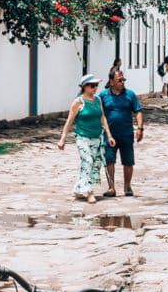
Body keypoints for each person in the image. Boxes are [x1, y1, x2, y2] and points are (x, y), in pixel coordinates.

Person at [58, 74, 117, 205]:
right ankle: (89, 192)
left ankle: (78, 189)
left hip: (97, 138)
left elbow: (102, 118)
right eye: (92, 85)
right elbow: (69, 121)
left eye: (96, 85)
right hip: (82, 137)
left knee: (93, 164)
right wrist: (63, 139)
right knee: (88, 161)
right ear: (84, 86)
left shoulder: (97, 100)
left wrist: (109, 135)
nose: (95, 88)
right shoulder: (78, 102)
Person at [99, 68, 144, 198]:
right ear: (111, 82)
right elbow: (98, 112)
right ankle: (111, 187)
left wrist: (140, 128)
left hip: (126, 133)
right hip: (110, 135)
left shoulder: (130, 95)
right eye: (120, 80)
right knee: (109, 160)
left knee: (128, 161)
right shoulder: (103, 95)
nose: (122, 82)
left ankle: (127, 186)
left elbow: (138, 111)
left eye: (123, 80)